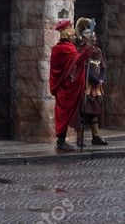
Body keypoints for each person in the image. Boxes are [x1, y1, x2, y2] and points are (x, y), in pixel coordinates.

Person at [49, 19, 92, 152]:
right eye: (72, 34)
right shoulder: (64, 48)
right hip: (65, 88)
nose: (74, 36)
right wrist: (87, 49)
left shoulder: (60, 48)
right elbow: (77, 60)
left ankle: (61, 141)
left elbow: (75, 60)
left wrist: (85, 48)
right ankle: (61, 142)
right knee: (63, 114)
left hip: (64, 87)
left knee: (65, 114)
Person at [75, 17, 108, 146]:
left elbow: (103, 67)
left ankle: (96, 136)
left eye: (94, 37)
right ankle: (79, 138)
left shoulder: (98, 51)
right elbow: (83, 68)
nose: (94, 39)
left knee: (94, 112)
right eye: (91, 37)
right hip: (86, 85)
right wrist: (93, 79)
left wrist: (101, 78)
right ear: (85, 38)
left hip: (97, 86)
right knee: (83, 112)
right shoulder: (81, 51)